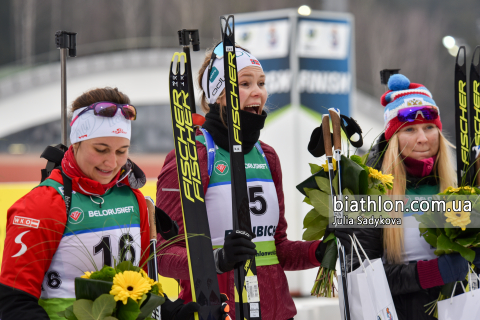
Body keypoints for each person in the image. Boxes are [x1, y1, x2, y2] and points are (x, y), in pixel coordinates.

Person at [155, 43, 352, 320]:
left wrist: (319, 251)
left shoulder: (267, 155)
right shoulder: (193, 155)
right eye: (244, 83)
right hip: (220, 310)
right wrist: (217, 260)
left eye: (261, 82)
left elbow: (277, 248)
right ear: (219, 95)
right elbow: (162, 255)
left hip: (277, 311)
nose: (258, 91)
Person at [0, 87, 217, 320]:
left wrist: (171, 312)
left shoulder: (134, 201)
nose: (111, 162)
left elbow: (138, 289)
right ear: (76, 143)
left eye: (122, 151)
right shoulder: (41, 205)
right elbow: (15, 303)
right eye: (100, 149)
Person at [351, 74, 469, 320]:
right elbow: (362, 279)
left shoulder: (458, 187)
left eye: (429, 127)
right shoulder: (372, 191)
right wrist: (434, 272)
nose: (423, 138)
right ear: (393, 138)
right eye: (410, 129)